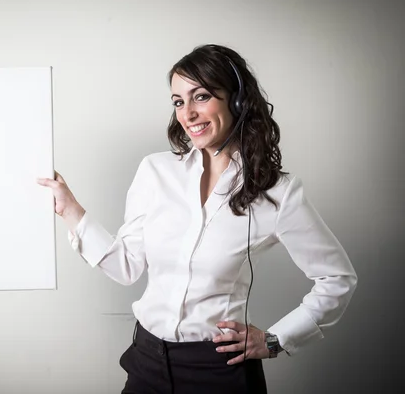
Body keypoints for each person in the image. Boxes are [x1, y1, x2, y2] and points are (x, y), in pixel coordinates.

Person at [37, 44, 357, 394]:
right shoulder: (155, 171)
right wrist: (69, 208)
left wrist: (275, 340)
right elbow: (125, 267)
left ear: (236, 101)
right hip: (146, 360)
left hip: (220, 372)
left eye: (200, 96)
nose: (187, 113)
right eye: (178, 101)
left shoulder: (277, 192)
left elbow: (337, 278)